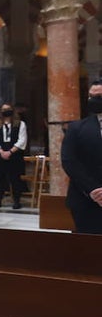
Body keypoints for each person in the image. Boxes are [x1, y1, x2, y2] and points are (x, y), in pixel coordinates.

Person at [60, 79, 102, 234]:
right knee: (87, 251)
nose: (94, 100)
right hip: (85, 200)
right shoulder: (76, 128)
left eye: (99, 96)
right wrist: (93, 190)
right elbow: (69, 161)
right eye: (91, 96)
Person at [0, 101, 27, 209]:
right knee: (0, 178)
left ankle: (16, 200)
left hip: (14, 155)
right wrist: (1, 151)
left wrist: (10, 151)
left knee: (15, 178)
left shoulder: (20, 124)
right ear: (0, 111)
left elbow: (22, 139)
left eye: (8, 109)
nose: (6, 111)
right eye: (4, 110)